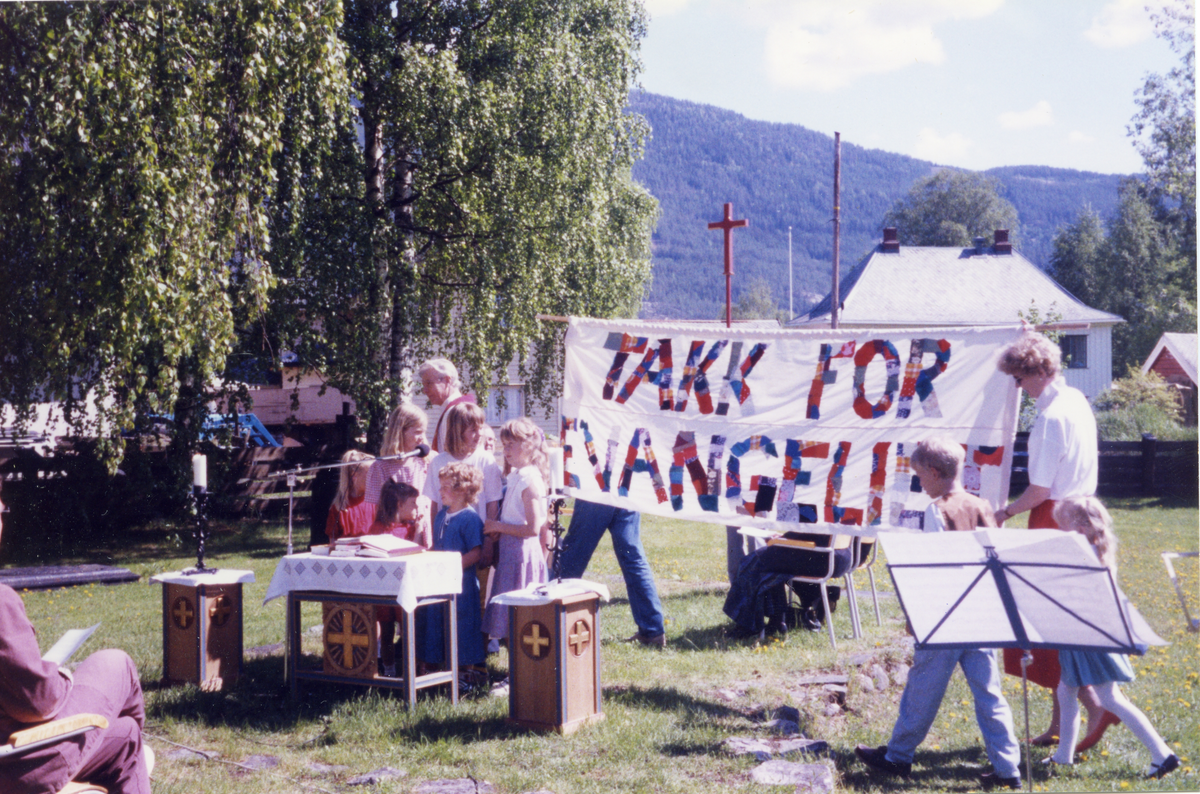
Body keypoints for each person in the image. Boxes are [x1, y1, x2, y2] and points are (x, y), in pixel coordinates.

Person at [856, 437, 1022, 791]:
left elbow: (938, 566)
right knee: (989, 693)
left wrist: (921, 612)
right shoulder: (983, 506)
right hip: (982, 614)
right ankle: (1008, 768)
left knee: (923, 688)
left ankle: (897, 757)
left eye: (920, 476)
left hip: (947, 615)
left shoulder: (937, 510)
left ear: (933, 472)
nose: (920, 483)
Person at [994, 331, 1114, 750]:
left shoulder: (1049, 420)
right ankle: (1060, 723)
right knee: (1062, 622)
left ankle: (1096, 707)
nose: (1018, 387)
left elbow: (1039, 490)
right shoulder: (1077, 401)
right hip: (1083, 515)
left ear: (1037, 372)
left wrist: (1004, 512)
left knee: (1047, 626)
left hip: (1053, 517)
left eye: (1019, 378)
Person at [0, 488, 154, 794]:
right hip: (20, 763)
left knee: (125, 736)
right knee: (115, 663)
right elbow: (39, 701)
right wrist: (61, 676)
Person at [1045, 497, 1178, 779]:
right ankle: (1063, 757)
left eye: (1063, 525)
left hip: (1090, 637)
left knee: (1109, 697)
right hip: (1082, 635)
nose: (1060, 531)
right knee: (1066, 691)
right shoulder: (1094, 548)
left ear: (1081, 527)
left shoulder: (1085, 554)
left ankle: (1162, 754)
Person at [557, 500, 667, 648]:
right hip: (625, 490)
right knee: (633, 559)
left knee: (573, 557)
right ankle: (653, 631)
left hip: (596, 492)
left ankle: (552, 622)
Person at [481, 418, 549, 645]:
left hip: (521, 555)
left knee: (520, 617)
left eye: (511, 445)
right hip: (511, 552)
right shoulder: (517, 476)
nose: (506, 450)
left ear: (528, 446)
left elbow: (532, 528)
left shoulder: (529, 480)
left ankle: (518, 674)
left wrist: (498, 526)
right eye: (504, 445)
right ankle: (515, 671)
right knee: (511, 615)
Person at [417, 462, 486, 681]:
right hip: (440, 584)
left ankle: (465, 674)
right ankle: (437, 669)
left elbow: (476, 553)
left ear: (463, 490)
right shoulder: (440, 516)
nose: (440, 492)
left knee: (463, 627)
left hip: (462, 586)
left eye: (446, 487)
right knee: (438, 623)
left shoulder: (470, 518)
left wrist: (451, 567)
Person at [370, 480, 421, 678]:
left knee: (408, 631)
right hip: (385, 589)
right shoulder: (378, 529)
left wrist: (418, 532)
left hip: (405, 589)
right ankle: (389, 671)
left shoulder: (410, 528)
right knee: (387, 632)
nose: (416, 508)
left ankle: (411, 671)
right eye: (413, 504)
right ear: (400, 505)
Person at [423, 402, 502, 523]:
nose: (480, 434)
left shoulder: (486, 460)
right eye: (473, 430)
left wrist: (489, 538)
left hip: (476, 535)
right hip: (446, 533)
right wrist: (436, 537)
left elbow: (492, 502)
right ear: (458, 432)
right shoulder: (438, 462)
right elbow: (434, 504)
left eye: (481, 428)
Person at [365, 402, 430, 545]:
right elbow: (375, 510)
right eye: (418, 432)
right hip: (394, 537)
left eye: (424, 432)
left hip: (424, 532)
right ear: (400, 431)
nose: (422, 437)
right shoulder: (380, 467)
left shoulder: (425, 462)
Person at [417, 358, 494, 454]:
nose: (425, 390)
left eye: (429, 383)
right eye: (424, 385)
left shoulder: (456, 413)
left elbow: (459, 457)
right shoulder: (453, 409)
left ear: (447, 380)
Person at [324, 450, 376, 542]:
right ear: (354, 474)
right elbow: (332, 542)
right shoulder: (338, 507)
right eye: (370, 473)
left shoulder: (377, 502)